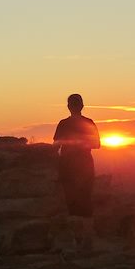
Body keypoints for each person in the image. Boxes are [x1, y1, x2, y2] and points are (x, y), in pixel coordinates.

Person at [53, 93, 100, 250]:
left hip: (67, 166)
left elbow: (56, 146)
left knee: (71, 202)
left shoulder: (63, 124)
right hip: (85, 165)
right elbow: (97, 144)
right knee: (86, 201)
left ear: (68, 106)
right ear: (82, 106)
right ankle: (87, 239)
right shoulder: (89, 123)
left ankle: (77, 239)